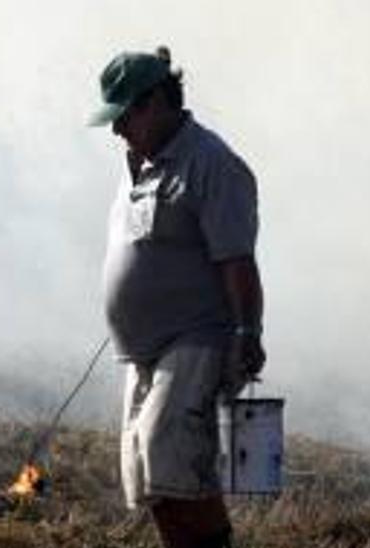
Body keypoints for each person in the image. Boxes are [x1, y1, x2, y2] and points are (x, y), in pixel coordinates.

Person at [90, 47, 266, 548]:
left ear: (155, 103)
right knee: (151, 479)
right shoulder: (138, 166)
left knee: (178, 465)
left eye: (124, 117)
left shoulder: (212, 164)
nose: (117, 130)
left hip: (197, 339)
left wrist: (246, 333)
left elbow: (236, 260)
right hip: (143, 351)